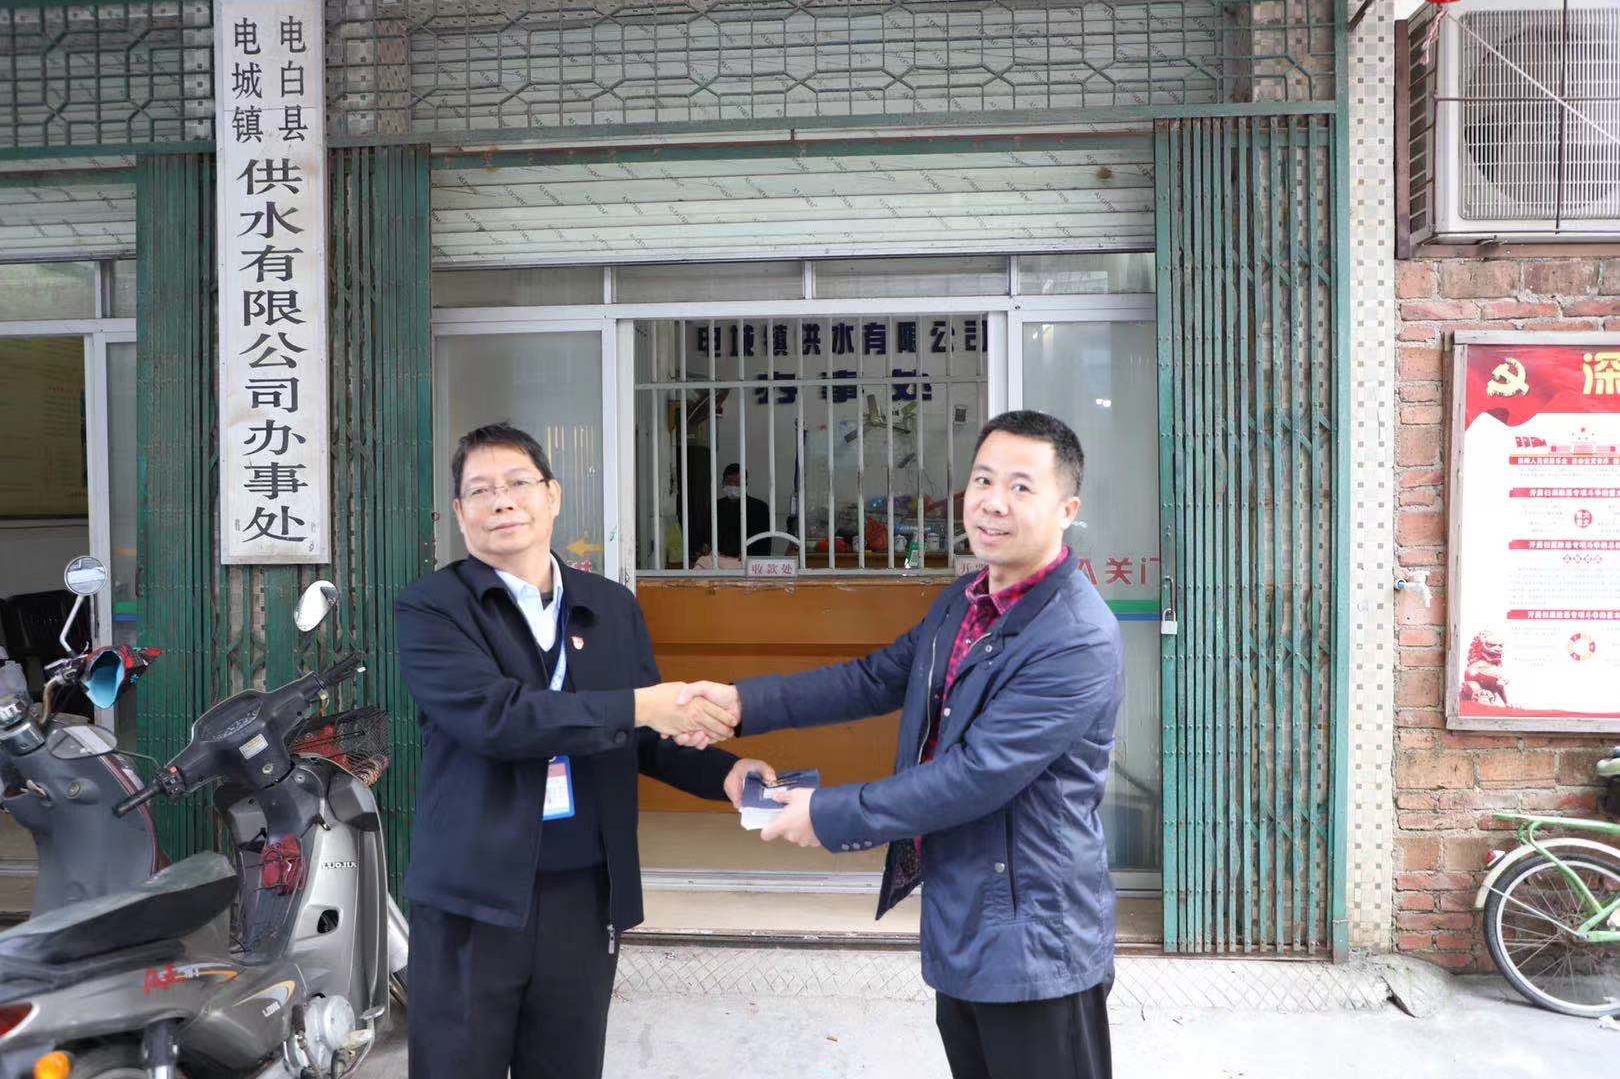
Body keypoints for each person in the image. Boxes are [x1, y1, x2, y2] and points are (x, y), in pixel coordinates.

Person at [679, 410, 1123, 1079]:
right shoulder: (963, 602)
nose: (993, 502)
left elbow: (975, 776)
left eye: (1021, 487)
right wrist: (744, 705)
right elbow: (875, 678)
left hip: (1037, 936)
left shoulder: (1074, 637)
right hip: (965, 915)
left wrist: (826, 814)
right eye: (983, 479)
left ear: (1067, 509)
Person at [395, 422, 776, 1079]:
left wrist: (727, 775)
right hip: (472, 900)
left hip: (584, 892)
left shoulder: (610, 606)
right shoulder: (434, 608)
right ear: (459, 513)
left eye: (518, 483)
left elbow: (645, 736)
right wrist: (642, 705)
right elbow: (498, 719)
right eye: (480, 490)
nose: (501, 501)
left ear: (553, 495)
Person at [715, 463, 773, 558]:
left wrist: (750, 556)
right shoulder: (716, 506)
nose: (732, 486)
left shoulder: (759, 507)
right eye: (729, 482)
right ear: (723, 483)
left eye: (737, 483)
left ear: (745, 484)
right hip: (719, 560)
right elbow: (707, 536)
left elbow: (764, 541)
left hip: (749, 560)